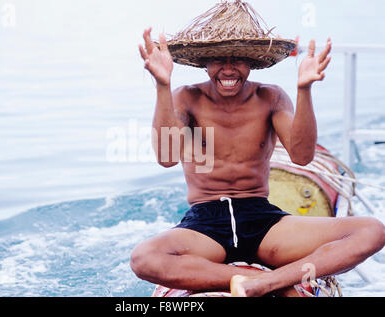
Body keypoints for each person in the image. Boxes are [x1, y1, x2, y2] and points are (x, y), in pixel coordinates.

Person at [130, 1, 385, 297]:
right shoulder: (186, 97)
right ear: (204, 62)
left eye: (238, 58)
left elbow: (302, 156)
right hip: (205, 223)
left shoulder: (271, 97)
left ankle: (270, 282)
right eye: (218, 59)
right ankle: (249, 277)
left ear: (252, 60)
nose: (228, 68)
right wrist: (162, 85)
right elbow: (165, 157)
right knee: (143, 258)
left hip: (263, 221)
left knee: (372, 230)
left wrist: (304, 90)